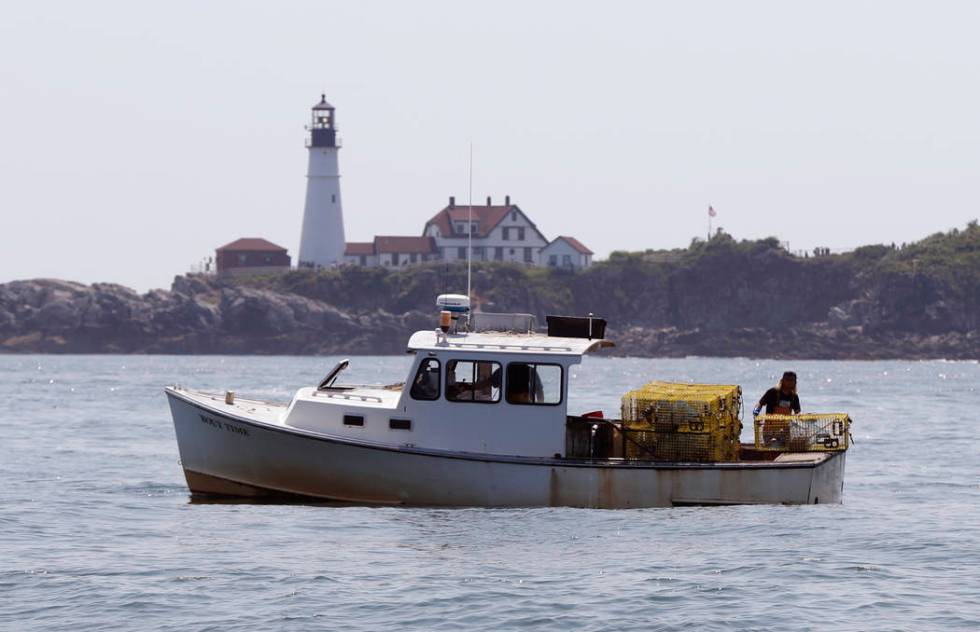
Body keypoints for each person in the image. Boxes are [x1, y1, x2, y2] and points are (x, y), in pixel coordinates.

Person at [753, 371, 801, 446]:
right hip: (770, 429)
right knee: (774, 445)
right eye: (787, 380)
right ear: (782, 380)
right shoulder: (772, 392)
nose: (790, 382)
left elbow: (797, 413)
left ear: (795, 382)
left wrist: (802, 418)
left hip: (785, 430)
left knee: (788, 447)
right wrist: (756, 411)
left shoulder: (794, 397)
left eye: (792, 380)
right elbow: (760, 403)